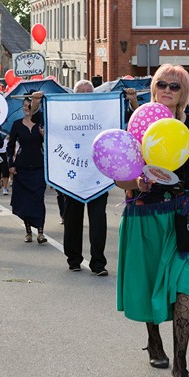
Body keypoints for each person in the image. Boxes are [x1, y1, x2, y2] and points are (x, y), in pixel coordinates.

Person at [115, 64, 189, 377]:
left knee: (186, 285)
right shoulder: (139, 124)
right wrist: (138, 183)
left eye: (175, 86)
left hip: (186, 214)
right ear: (154, 87)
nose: (168, 90)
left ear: (183, 93)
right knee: (148, 282)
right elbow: (120, 177)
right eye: (162, 84)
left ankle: (181, 362)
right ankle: (153, 339)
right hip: (147, 213)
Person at [61, 80, 109, 276]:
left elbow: (121, 119)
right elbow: (47, 123)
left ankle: (98, 263)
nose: (86, 95)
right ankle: (74, 259)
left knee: (98, 220)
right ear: (74, 94)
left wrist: (131, 101)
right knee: (73, 219)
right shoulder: (66, 113)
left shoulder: (103, 113)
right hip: (73, 175)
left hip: (98, 175)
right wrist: (38, 104)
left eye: (90, 92)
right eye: (82, 92)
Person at [7, 92, 47, 244]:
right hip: (21, 167)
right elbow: (10, 147)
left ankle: (41, 232)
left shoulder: (42, 123)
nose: (27, 108)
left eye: (30, 105)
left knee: (38, 199)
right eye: (25, 106)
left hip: (38, 166)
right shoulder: (17, 124)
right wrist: (10, 165)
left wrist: (44, 135)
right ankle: (28, 231)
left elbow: (52, 144)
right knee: (24, 200)